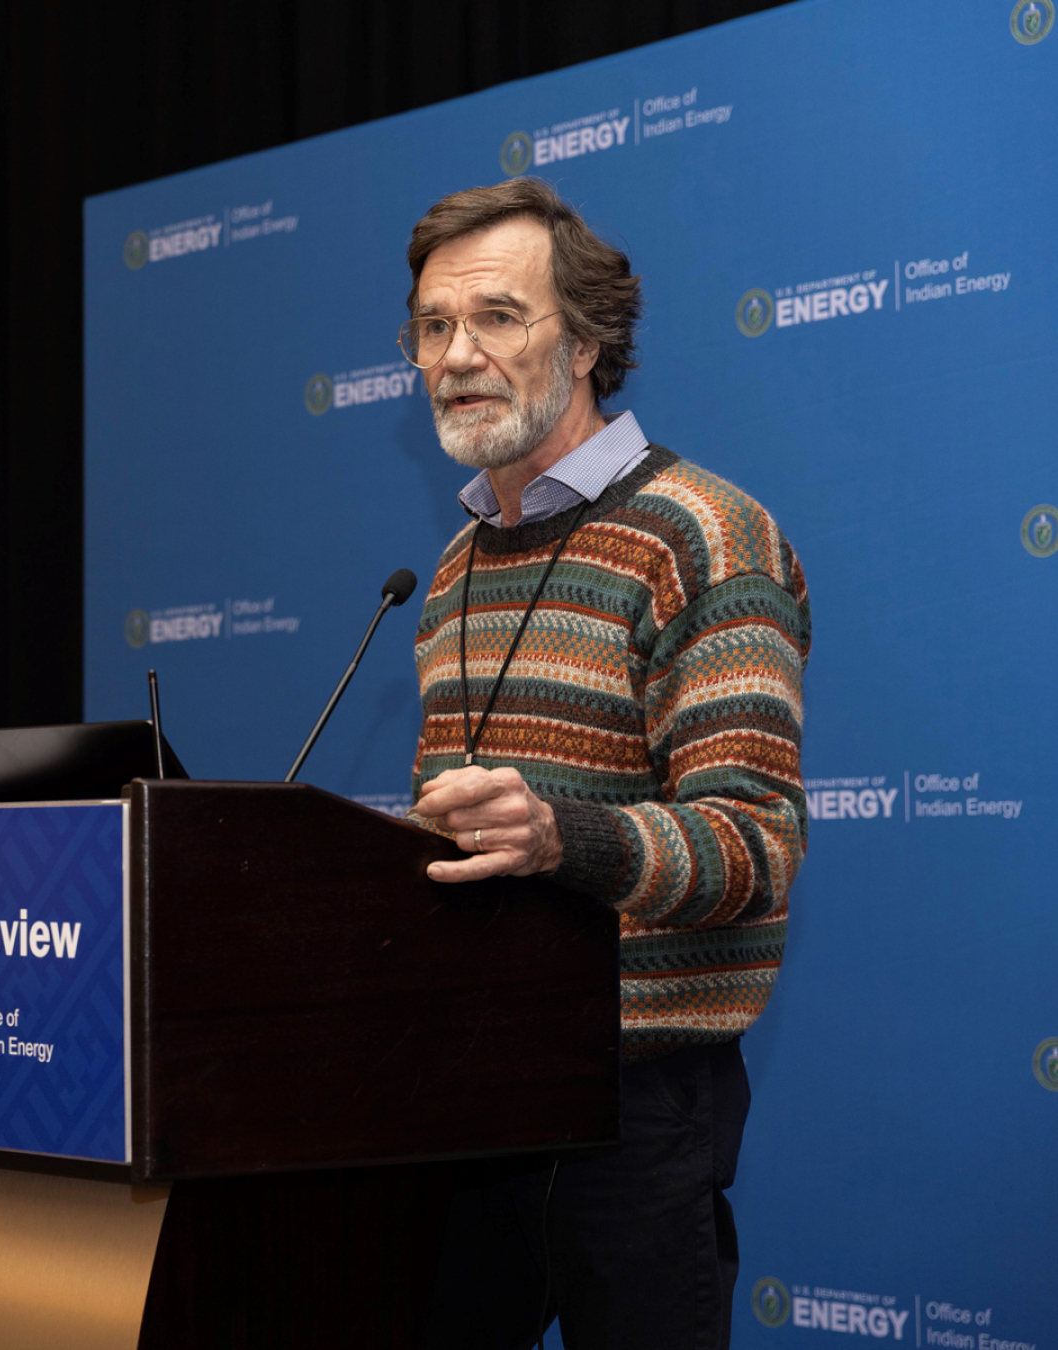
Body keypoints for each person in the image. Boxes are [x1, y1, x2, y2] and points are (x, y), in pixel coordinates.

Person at [401, 179, 811, 1350]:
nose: (456, 355)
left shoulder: (702, 533)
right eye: (433, 326)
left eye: (496, 318)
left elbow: (753, 844)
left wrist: (557, 837)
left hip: (636, 1104)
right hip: (468, 1093)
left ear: (584, 341)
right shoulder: (449, 573)